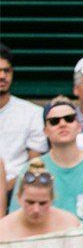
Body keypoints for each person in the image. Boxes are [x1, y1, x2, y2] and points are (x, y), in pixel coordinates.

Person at [8, 97, 83, 224]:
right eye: (54, 121)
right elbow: (15, 218)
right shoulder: (31, 169)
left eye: (69, 119)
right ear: (45, 131)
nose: (62, 124)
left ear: (79, 126)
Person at [0, 164, 83, 248]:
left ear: (52, 200)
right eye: (30, 202)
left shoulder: (70, 223)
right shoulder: (3, 228)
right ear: (19, 198)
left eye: (42, 203)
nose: (36, 209)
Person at [0, 44, 46, 197]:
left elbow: (34, 164)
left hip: (19, 191)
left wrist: (6, 189)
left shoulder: (32, 114)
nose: (2, 76)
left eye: (6, 70)